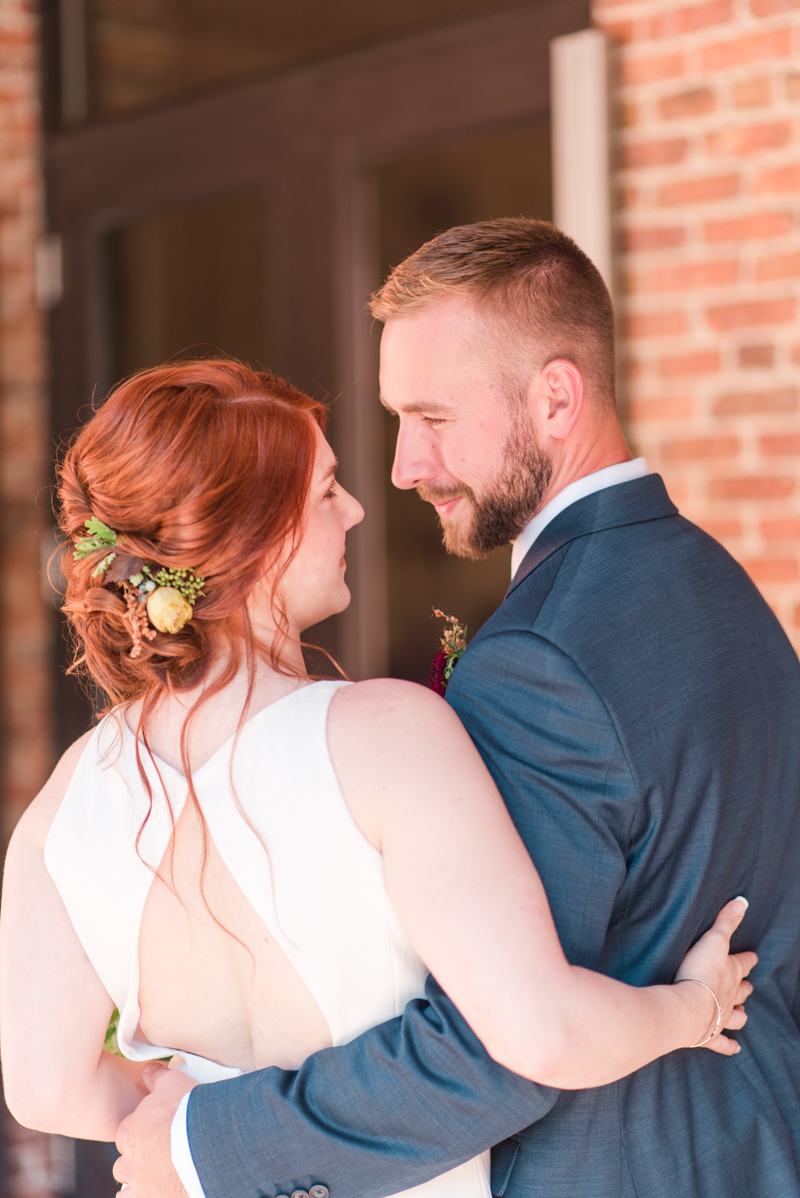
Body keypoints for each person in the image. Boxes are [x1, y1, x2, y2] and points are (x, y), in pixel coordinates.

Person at [110, 221, 800, 1198]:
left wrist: (203, 1141)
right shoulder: (723, 588)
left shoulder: (539, 661)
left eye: (431, 417)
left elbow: (497, 1049)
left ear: (554, 398)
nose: (400, 466)